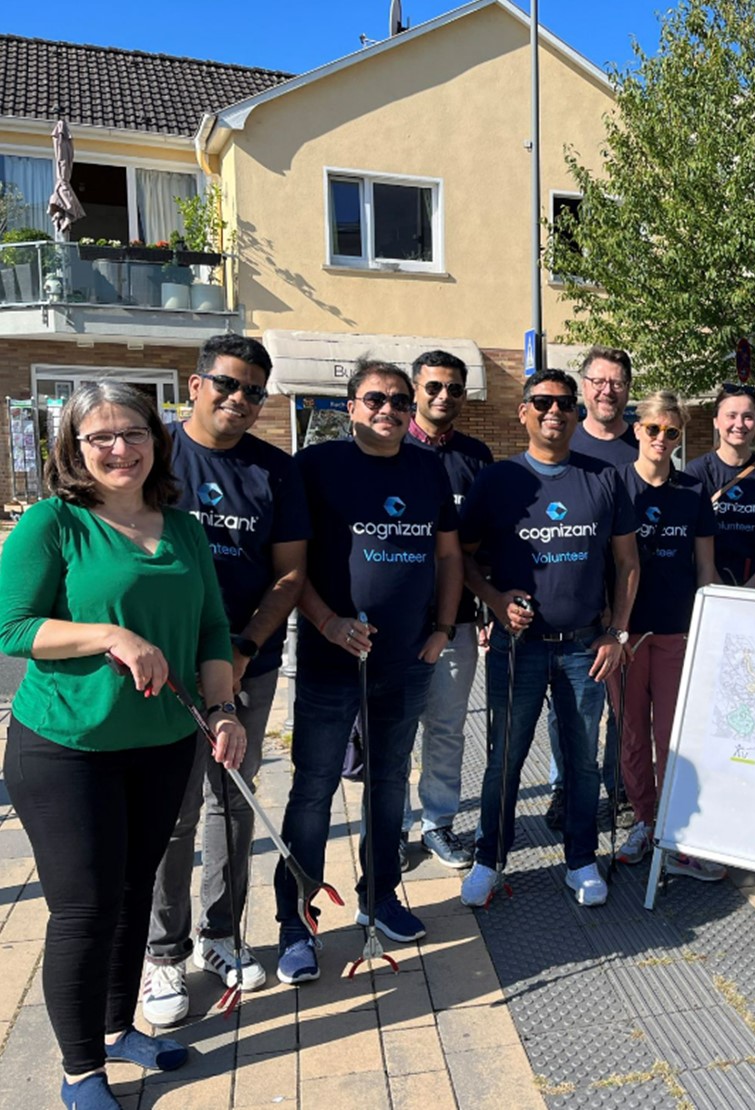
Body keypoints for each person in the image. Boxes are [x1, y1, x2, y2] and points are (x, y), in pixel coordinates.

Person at [0, 383, 242, 1110]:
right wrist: (111, 635)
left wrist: (224, 708)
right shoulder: (54, 524)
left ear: (155, 439)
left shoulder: (184, 528)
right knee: (84, 908)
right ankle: (80, 1072)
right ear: (72, 449)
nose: (118, 449)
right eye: (98, 437)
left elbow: (209, 632)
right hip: (66, 746)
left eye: (132, 432)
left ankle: (114, 1028)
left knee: (135, 892)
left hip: (164, 743)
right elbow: (12, 628)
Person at [141, 335, 310, 1025]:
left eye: (254, 392)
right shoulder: (151, 455)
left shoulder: (276, 470)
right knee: (173, 816)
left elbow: (290, 574)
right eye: (227, 385)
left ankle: (221, 936)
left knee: (232, 804)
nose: (239, 400)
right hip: (162, 674)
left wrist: (242, 650)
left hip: (247, 665)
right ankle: (163, 955)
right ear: (195, 382)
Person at [274, 359, 461, 984]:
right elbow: (290, 568)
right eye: (375, 399)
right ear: (351, 406)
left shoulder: (428, 469)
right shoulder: (315, 468)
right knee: (313, 791)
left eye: (400, 401)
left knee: (387, 785)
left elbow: (449, 556)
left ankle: (379, 896)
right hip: (332, 664)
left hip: (405, 664)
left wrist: (440, 628)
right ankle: (296, 924)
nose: (389, 409)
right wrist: (328, 623)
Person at [459, 368, 638, 909]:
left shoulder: (604, 478)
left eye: (564, 403)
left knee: (583, 760)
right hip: (520, 648)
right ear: (524, 412)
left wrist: (617, 632)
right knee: (504, 759)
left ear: (578, 411)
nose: (554, 412)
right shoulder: (497, 480)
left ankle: (580, 859)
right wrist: (494, 602)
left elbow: (628, 563)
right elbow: (461, 559)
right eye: (542, 402)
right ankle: (490, 858)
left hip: (585, 645)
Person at [608, 391, 721, 878]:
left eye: (671, 432)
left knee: (673, 736)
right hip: (627, 633)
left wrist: (711, 628)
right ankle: (643, 820)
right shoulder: (615, 486)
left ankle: (677, 830)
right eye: (653, 429)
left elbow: (706, 567)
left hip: (677, 630)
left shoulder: (692, 492)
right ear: (637, 428)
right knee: (631, 732)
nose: (661, 439)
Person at [402, 349, 494, 870]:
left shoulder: (476, 457)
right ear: (416, 389)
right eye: (433, 387)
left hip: (455, 622)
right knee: (394, 732)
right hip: (392, 626)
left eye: (454, 388)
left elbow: (486, 543)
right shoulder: (388, 447)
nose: (443, 396)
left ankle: (438, 823)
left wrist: (483, 605)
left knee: (447, 727)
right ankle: (391, 829)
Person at [548, 346, 638, 832]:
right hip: (576, 605)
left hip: (627, 602)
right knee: (570, 709)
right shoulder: (566, 441)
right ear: (584, 386)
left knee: (623, 710)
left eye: (617, 381)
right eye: (598, 381)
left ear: (628, 387)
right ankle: (565, 788)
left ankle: (619, 789)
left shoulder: (642, 442)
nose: (607, 390)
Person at [685, 383, 755, 587]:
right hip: (709, 584)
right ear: (716, 421)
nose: (739, 424)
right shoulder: (697, 472)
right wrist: (713, 582)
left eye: (747, 417)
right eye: (731, 415)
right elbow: (691, 538)